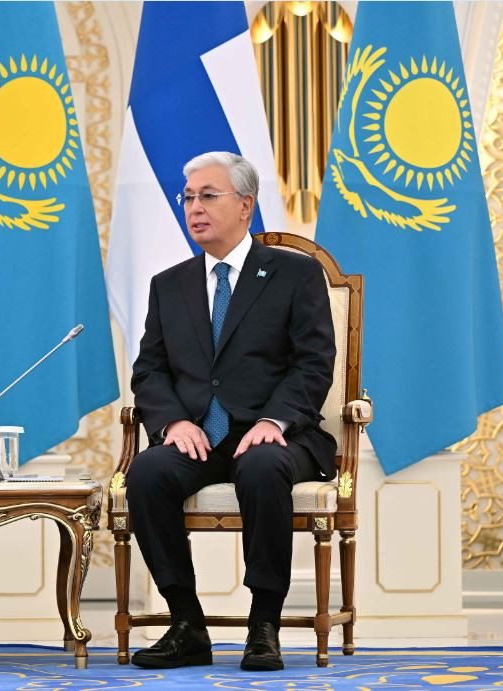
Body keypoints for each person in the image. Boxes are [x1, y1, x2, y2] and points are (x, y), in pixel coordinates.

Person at [126, 152, 335, 672]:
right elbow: (149, 371)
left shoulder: (295, 274)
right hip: (200, 435)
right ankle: (186, 624)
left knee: (262, 466)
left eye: (207, 196)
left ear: (246, 205)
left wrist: (273, 420)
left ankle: (264, 624)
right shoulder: (169, 284)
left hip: (279, 434)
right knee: (147, 473)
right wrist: (174, 422)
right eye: (188, 198)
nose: (194, 208)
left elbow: (313, 363)